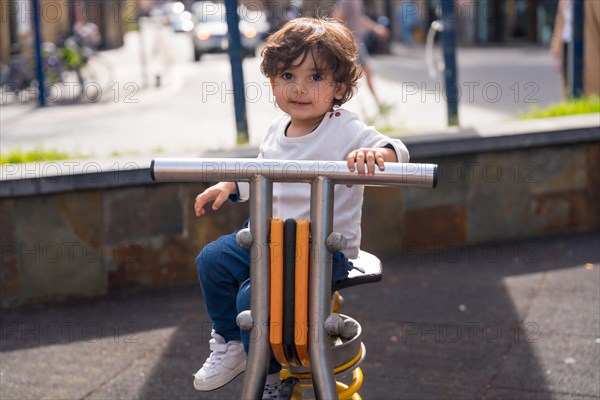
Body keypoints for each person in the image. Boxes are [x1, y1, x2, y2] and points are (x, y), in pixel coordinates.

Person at [192, 17, 409, 399]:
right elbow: (261, 171)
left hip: (322, 248)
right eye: (288, 75)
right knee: (211, 260)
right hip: (267, 237)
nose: (299, 88)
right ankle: (229, 343)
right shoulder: (277, 129)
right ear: (273, 82)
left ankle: (270, 376)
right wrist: (229, 184)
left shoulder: (343, 127)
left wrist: (376, 154)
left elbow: (398, 150)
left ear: (339, 87)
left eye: (316, 78)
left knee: (252, 298)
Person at [332, 0, 389, 108]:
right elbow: (336, 20)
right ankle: (334, 105)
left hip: (357, 42)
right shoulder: (347, 2)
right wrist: (343, 41)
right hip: (350, 43)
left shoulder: (357, 2)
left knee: (365, 71)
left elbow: (360, 17)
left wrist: (376, 28)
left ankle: (377, 103)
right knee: (344, 75)